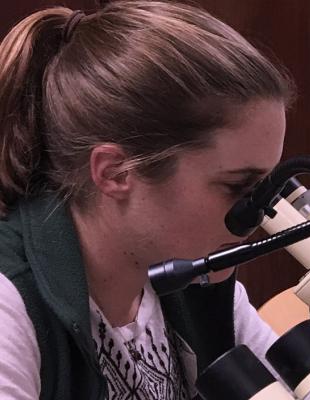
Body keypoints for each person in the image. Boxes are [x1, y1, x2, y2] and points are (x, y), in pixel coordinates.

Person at [0, 2, 293, 398]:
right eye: (236, 187)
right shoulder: (12, 304)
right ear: (115, 172)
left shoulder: (188, 277)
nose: (253, 215)